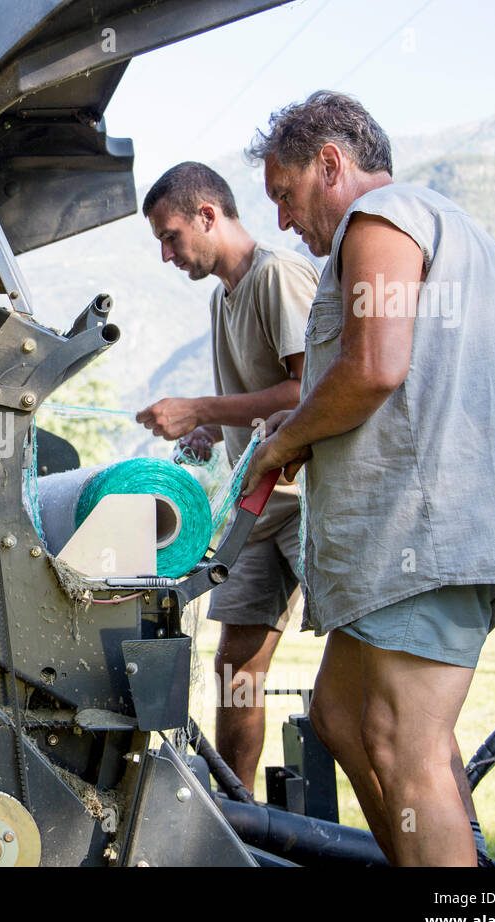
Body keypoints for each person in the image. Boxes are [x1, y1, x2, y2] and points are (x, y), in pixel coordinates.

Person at [240, 91, 495, 866]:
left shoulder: (382, 219)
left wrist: (280, 442)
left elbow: (374, 367)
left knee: (403, 742)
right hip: (425, 534)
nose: (286, 223)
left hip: (424, 536)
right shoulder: (449, 227)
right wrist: (299, 434)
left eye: (286, 196)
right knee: (338, 714)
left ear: (330, 164)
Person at [136, 161, 318, 795]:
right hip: (256, 506)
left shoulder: (279, 276)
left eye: (171, 235)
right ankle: (239, 817)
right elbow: (260, 398)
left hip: (312, 497)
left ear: (208, 215)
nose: (166, 254)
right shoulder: (224, 297)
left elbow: (307, 390)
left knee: (366, 667)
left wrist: (204, 407)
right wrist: (212, 429)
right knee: (236, 665)